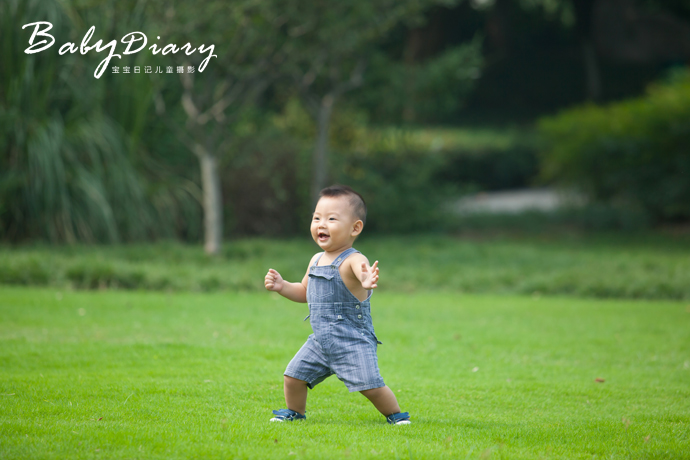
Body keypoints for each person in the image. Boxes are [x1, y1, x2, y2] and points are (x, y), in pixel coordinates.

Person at [264, 184, 411, 425]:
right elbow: (304, 292)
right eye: (317, 218)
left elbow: (361, 272)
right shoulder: (316, 259)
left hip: (352, 341)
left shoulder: (354, 259)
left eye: (331, 219)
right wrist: (282, 286)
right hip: (321, 341)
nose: (321, 224)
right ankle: (295, 412)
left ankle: (396, 415)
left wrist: (366, 280)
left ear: (355, 228)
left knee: (370, 385)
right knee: (293, 376)